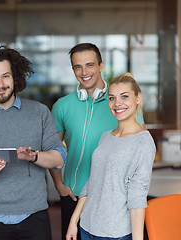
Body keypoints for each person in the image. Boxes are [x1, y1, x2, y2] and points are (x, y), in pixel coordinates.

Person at [0, 46, 66, 240]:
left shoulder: (40, 113)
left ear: (16, 77)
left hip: (35, 219)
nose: (0, 84)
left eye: (5, 76)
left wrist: (34, 156)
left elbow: (59, 159)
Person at [49, 43, 146, 240]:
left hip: (113, 200)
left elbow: (140, 149)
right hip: (74, 195)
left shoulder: (122, 103)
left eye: (90, 65)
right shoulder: (62, 106)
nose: (84, 72)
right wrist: (59, 184)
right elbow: (52, 149)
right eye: (78, 66)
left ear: (101, 65)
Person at [66, 72, 156, 240]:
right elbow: (92, 181)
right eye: (112, 98)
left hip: (115, 233)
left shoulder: (143, 141)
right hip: (87, 227)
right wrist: (74, 220)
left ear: (138, 98)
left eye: (124, 96)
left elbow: (137, 196)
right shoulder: (106, 136)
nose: (117, 103)